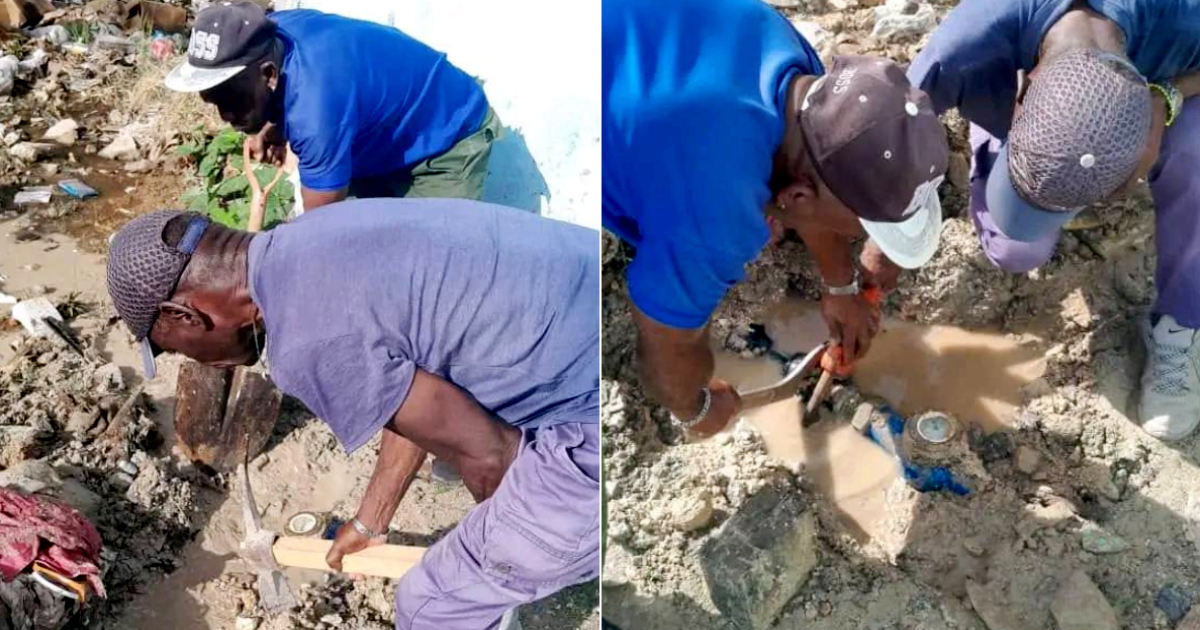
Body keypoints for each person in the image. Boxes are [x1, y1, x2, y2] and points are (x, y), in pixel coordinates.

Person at [104, 201, 599, 630]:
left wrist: (492, 544)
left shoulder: (304, 342)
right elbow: (416, 384)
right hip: (629, 312)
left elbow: (493, 455)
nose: (194, 362)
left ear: (184, 315)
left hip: (619, 413)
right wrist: (370, 522)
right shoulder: (309, 236)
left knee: (432, 605)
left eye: (172, 349)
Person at [602, 0, 950, 436]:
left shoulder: (794, 65)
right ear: (797, 197)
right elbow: (664, 349)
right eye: (863, 229)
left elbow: (808, 181)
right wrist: (693, 407)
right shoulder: (714, 215)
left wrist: (841, 286)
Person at [908, 0, 1200, 441]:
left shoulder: (1185, 18)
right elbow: (892, 128)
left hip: (1157, 87)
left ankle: (1181, 324)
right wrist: (887, 237)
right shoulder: (969, 45)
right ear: (1024, 92)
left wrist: (1168, 96)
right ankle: (997, 136)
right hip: (1021, 90)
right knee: (1016, 248)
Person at [166, 2, 501, 210]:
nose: (225, 118)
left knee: (424, 269)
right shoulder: (276, 34)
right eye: (215, 103)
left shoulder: (316, 112)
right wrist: (270, 123)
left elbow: (320, 235)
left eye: (233, 102)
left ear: (268, 75)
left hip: (449, 140)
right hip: (387, 132)